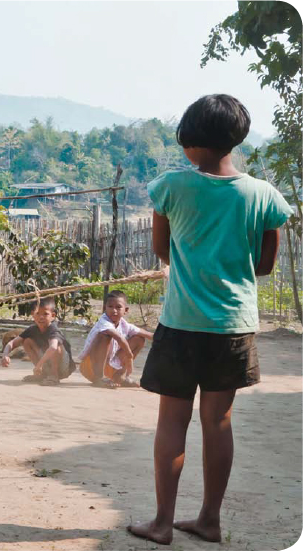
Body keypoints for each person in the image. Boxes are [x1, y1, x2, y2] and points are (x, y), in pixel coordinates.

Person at [127, 94, 292, 545]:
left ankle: (162, 523)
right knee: (218, 422)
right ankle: (209, 520)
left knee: (171, 423)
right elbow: (263, 265)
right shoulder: (263, 194)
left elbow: (162, 250)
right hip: (234, 327)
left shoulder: (171, 188)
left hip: (181, 324)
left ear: (192, 141)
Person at [77, 290, 153, 388]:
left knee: (139, 339)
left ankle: (119, 376)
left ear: (126, 310)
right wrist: (129, 356)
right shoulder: (104, 321)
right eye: (110, 307)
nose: (114, 310)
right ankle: (99, 378)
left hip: (110, 367)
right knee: (105, 336)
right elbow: (119, 338)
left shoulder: (124, 324)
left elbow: (148, 334)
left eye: (118, 307)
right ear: (105, 308)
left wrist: (167, 339)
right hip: (91, 367)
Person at [0, 297, 77, 386]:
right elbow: (12, 343)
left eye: (45, 314)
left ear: (53, 316)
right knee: (27, 341)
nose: (41, 317)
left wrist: (39, 365)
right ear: (33, 315)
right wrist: (5, 355)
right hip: (45, 363)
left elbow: (53, 348)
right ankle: (42, 375)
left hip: (63, 368)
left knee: (57, 346)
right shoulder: (32, 329)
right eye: (37, 313)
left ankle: (54, 376)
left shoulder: (53, 330)